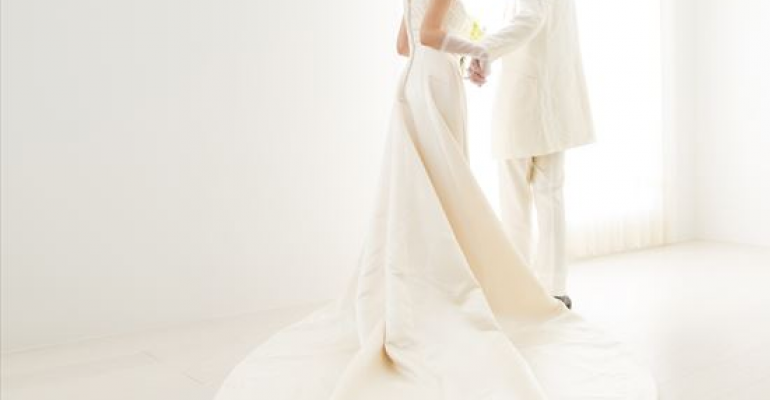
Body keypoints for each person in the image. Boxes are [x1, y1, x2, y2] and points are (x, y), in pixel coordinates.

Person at [211, 0, 656, 398]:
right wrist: (475, 49)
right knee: (449, 182)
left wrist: (469, 48)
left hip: (415, 80)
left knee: (423, 184)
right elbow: (429, 35)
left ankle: (450, 273)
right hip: (440, 82)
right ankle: (475, 278)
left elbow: (404, 44)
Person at [469, 0, 594, 310]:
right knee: (549, 195)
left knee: (516, 198)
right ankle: (553, 288)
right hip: (552, 98)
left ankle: (521, 285)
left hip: (525, 101)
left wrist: (484, 50)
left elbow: (529, 19)